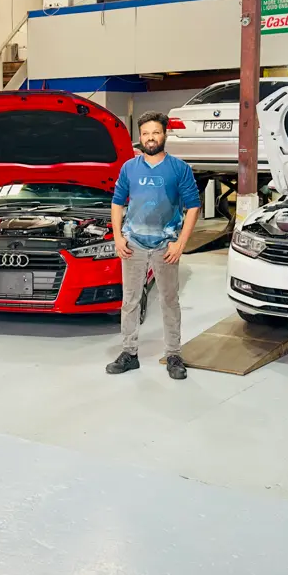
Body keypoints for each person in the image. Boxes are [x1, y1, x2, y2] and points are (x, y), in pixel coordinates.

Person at [106, 111, 202, 380]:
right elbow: (117, 202)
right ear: (140, 136)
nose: (150, 138)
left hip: (165, 246)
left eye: (155, 133)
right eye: (146, 133)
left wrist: (180, 243)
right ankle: (129, 353)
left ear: (164, 134)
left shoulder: (179, 168)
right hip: (133, 244)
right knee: (130, 301)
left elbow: (193, 206)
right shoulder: (129, 168)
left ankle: (173, 355)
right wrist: (118, 237)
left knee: (169, 300)